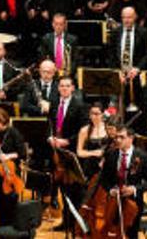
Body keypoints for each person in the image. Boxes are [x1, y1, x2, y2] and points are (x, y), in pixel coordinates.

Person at [95, 127, 147, 239]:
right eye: (117, 137)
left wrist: (134, 189)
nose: (118, 140)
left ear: (131, 139)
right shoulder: (111, 155)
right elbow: (103, 179)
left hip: (133, 203)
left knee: (131, 234)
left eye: (122, 137)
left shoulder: (142, 156)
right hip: (113, 201)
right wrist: (110, 189)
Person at [48, 76, 87, 231]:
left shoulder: (80, 106)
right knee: (62, 188)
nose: (64, 88)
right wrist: (50, 137)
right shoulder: (54, 103)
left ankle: (75, 223)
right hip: (56, 152)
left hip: (71, 152)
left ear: (73, 88)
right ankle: (66, 221)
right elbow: (49, 123)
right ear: (58, 88)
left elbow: (83, 131)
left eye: (67, 86)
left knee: (74, 190)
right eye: (61, 86)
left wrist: (68, 141)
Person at [0, 107, 27, 227]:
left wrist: (8, 156)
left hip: (11, 174)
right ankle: (2, 231)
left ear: (3, 121)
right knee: (0, 206)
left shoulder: (13, 133)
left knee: (11, 206)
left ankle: (13, 231)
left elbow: (22, 153)